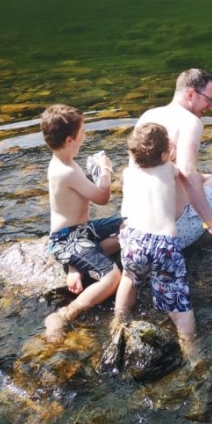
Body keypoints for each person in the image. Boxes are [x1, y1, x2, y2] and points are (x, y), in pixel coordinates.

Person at [114, 122, 198, 362]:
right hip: (163, 245)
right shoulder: (169, 169)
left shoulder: (127, 173)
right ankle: (191, 352)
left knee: (128, 278)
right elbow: (184, 171)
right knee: (178, 305)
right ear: (164, 155)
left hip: (133, 240)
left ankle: (118, 322)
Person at [41, 103, 122, 341]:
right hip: (67, 240)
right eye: (83, 132)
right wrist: (105, 171)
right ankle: (66, 313)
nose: (85, 135)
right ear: (70, 140)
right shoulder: (67, 171)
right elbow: (102, 197)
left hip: (81, 231)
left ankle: (76, 266)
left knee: (129, 226)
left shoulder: (64, 162)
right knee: (113, 276)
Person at [138, 69, 212, 255]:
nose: (211, 107)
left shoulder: (148, 116)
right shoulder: (190, 122)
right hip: (174, 233)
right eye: (209, 100)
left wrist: (201, 178)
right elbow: (187, 171)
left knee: (206, 178)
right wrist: (211, 223)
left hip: (140, 226)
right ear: (191, 94)